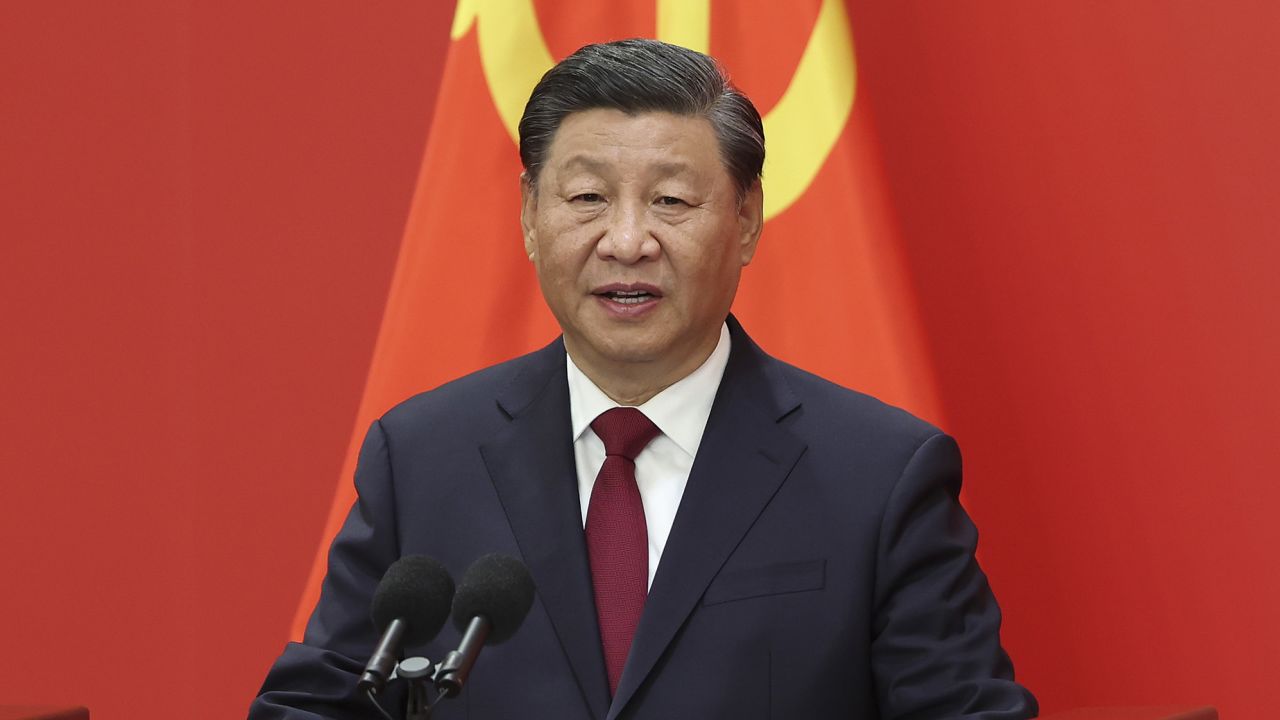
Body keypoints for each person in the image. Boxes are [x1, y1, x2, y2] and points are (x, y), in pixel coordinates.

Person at [250, 39, 1037, 719]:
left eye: (671, 200)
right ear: (529, 215)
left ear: (747, 218)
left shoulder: (879, 476)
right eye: (587, 198)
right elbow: (320, 701)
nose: (627, 242)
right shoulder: (421, 459)